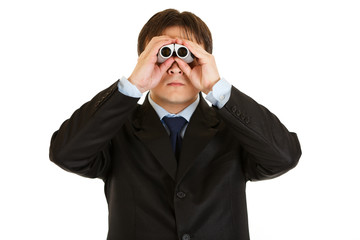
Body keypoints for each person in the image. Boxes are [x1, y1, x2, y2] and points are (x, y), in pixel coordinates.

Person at [49, 8, 301, 240]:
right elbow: (65, 153)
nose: (175, 67)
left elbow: (284, 157)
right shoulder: (115, 128)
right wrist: (132, 86)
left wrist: (218, 88)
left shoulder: (233, 128)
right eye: (163, 54)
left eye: (187, 55)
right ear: (143, 59)